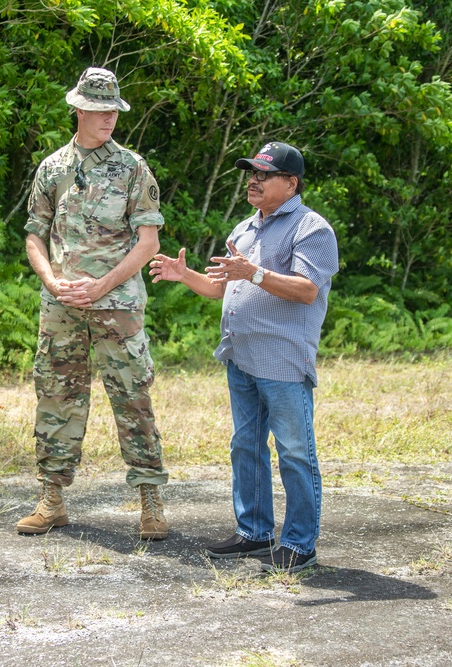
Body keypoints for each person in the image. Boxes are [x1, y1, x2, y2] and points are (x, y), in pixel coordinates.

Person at [149, 142, 338, 573]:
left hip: (283, 361)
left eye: (264, 174)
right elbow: (223, 287)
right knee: (246, 446)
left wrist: (251, 272)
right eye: (251, 172)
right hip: (242, 356)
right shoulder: (246, 227)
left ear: (291, 183)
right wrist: (186, 276)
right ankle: (254, 533)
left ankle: (299, 544)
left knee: (294, 452)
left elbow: (307, 289)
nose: (253, 179)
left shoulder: (312, 229)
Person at [17, 67, 170, 540]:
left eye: (115, 111)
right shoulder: (53, 168)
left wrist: (100, 286)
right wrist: (52, 281)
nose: (109, 119)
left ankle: (150, 499)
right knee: (57, 396)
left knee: (132, 395)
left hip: (117, 305)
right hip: (62, 305)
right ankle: (52, 498)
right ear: (79, 109)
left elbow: (147, 243)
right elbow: (34, 237)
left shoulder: (132, 168)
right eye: (101, 110)